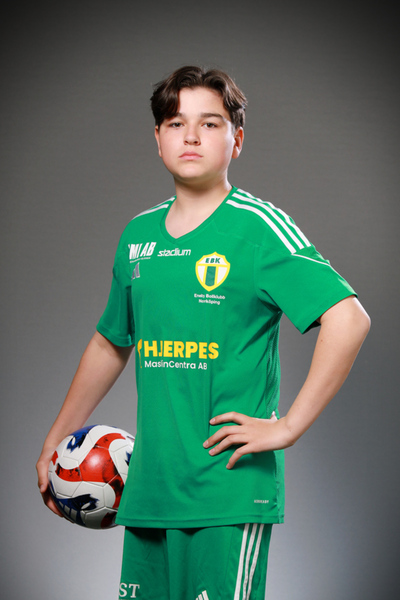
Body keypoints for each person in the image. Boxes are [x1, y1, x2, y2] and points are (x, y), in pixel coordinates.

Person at [36, 66, 370, 600]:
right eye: (176, 123)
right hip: (148, 491)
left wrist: (288, 427)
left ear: (236, 140)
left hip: (226, 491)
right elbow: (110, 342)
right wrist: (56, 441)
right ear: (158, 138)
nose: (190, 135)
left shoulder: (258, 228)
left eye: (210, 123)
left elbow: (349, 318)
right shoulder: (137, 236)